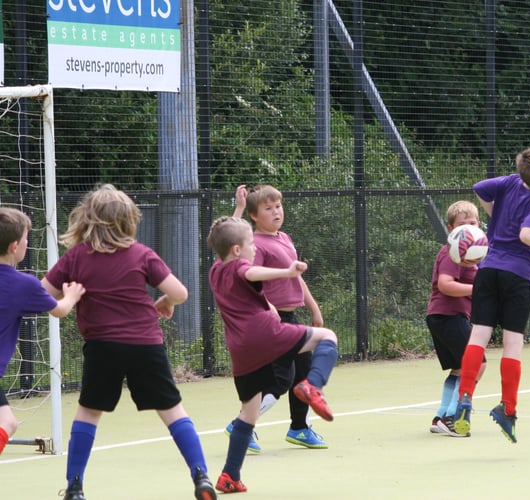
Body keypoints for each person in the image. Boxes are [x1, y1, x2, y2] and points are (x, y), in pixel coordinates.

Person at [41, 185, 216, 500]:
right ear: (129, 220)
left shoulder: (75, 257)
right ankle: (201, 476)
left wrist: (69, 296)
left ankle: (75, 486)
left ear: (87, 219)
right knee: (173, 410)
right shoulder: (142, 254)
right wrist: (165, 300)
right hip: (145, 345)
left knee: (88, 412)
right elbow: (180, 293)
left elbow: (44, 293)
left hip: (102, 347)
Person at [207, 215, 338, 493]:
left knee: (248, 414)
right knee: (328, 337)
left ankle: (230, 475)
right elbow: (250, 272)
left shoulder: (215, 269)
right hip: (265, 332)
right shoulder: (243, 265)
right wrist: (287, 272)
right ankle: (312, 384)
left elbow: (225, 238)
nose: (255, 249)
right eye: (251, 244)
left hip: (241, 349)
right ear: (237, 250)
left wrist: (239, 209)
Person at [453, 145, 530, 442]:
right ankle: (508, 409)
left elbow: (480, 188)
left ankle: (464, 397)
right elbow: (527, 235)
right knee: (512, 343)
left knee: (478, 336)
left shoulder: (511, 182)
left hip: (488, 271)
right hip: (518, 275)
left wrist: (495, 214)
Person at [223, 184, 328, 452]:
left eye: (278, 206)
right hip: (271, 319)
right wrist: (268, 306)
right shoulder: (254, 244)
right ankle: (240, 424)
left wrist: (314, 308)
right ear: (254, 216)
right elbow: (248, 279)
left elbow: (296, 277)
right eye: (268, 208)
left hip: (290, 316)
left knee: (303, 373)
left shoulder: (284, 238)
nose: (276, 212)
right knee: (281, 379)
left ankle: (299, 428)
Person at [0, 207, 85, 456]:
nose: (28, 243)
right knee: (7, 423)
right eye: (27, 238)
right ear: (15, 246)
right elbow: (58, 310)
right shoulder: (22, 284)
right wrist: (72, 294)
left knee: (9, 421)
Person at [426, 200, 487, 436]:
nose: (469, 227)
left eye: (472, 222)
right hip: (447, 316)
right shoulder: (453, 252)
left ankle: (441, 416)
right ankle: (453, 416)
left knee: (460, 368)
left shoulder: (473, 254)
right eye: (462, 224)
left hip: (447, 317)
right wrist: (478, 290)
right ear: (452, 229)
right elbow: (446, 285)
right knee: (477, 363)